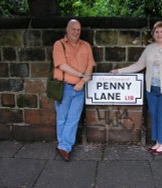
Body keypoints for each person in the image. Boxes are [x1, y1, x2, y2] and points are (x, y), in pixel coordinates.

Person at [110, 21, 162, 156]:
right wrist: (120, 71)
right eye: (157, 32)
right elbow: (139, 65)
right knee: (155, 116)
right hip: (151, 89)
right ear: (153, 34)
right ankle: (157, 141)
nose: (159, 34)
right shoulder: (149, 49)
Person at [52, 19, 96, 161]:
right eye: (73, 29)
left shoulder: (86, 46)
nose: (76, 32)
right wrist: (80, 75)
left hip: (79, 88)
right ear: (67, 29)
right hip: (63, 87)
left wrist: (82, 81)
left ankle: (64, 146)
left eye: (78, 29)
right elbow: (62, 65)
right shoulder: (59, 45)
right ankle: (63, 145)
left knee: (73, 119)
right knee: (62, 118)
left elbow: (90, 65)